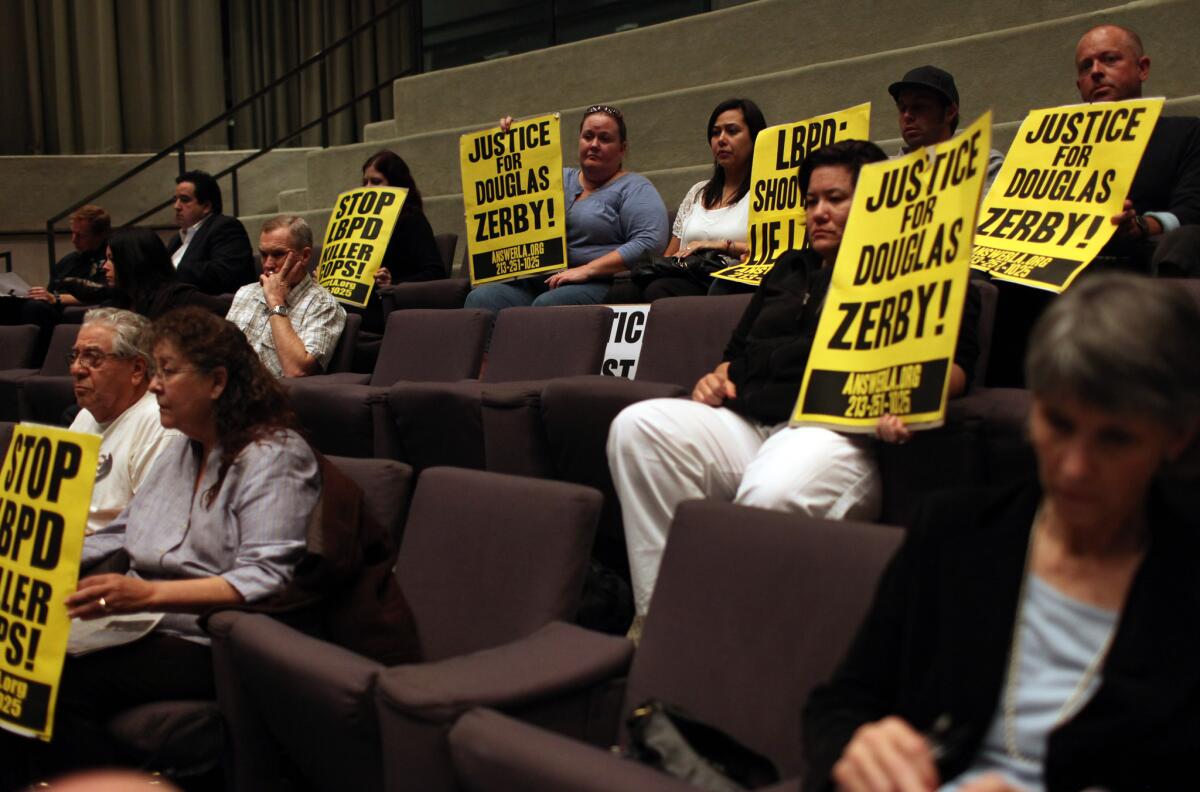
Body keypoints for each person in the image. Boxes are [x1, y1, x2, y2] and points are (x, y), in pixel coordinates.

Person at [803, 273, 1200, 792]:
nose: (1076, 468)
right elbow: (843, 702)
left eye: (1116, 439)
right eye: (1059, 424)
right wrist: (856, 749)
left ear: (1175, 438)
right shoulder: (954, 532)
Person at [607, 140, 981, 618]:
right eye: (811, 201)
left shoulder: (920, 265)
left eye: (835, 199)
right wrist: (715, 380)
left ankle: (726, 630)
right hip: (749, 421)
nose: (819, 212)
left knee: (772, 493)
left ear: (876, 199)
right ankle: (665, 618)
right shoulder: (789, 268)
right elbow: (733, 356)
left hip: (832, 431)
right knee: (638, 428)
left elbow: (956, 369)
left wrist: (910, 395)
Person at [0, 307, 321, 786]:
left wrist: (150, 595)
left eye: (167, 372)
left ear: (216, 382)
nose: (154, 385)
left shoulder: (273, 455)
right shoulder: (181, 446)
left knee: (52, 678)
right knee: (12, 654)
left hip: (203, 637)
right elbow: (122, 531)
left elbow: (265, 577)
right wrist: (25, 555)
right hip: (136, 622)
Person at [988, 23, 1200, 387]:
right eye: (1086, 67)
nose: (1096, 71)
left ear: (1142, 68)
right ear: (1079, 86)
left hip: (1134, 260)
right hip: (1049, 270)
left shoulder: (1186, 133)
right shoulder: (1047, 147)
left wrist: (1144, 226)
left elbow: (1193, 208)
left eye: (1109, 59)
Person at [464, 104, 670, 309]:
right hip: (539, 280)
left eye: (605, 139)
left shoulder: (635, 187)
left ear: (622, 149)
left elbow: (650, 241)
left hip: (597, 282)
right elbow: (510, 185)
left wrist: (587, 270)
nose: (594, 144)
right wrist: (512, 138)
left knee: (548, 305)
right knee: (481, 298)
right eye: (588, 136)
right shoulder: (555, 178)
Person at [605, 98, 767, 303]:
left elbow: (772, 252)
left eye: (732, 131)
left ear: (756, 137)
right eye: (716, 133)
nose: (721, 140)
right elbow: (671, 254)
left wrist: (717, 245)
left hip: (728, 282)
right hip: (687, 273)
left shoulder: (766, 192)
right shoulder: (698, 191)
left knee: (660, 291)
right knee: (621, 293)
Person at [67, 308, 179, 536]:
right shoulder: (85, 415)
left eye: (92, 357)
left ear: (137, 369)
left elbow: (149, 529)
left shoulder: (160, 425)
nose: (76, 368)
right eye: (75, 356)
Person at [226, 215, 347, 378]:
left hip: (274, 397)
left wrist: (276, 301)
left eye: (278, 254)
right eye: (263, 254)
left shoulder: (324, 305)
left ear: (304, 256)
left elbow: (297, 371)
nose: (268, 264)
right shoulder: (245, 292)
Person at [349, 150, 447, 332]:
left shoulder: (412, 220)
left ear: (396, 184)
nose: (367, 189)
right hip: (357, 300)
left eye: (376, 182)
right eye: (365, 182)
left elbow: (436, 273)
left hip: (386, 305)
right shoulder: (358, 224)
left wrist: (394, 282)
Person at [887, 66, 1004, 194]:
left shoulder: (982, 161)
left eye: (919, 107)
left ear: (950, 112)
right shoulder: (880, 170)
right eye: (902, 108)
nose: (907, 116)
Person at [99, 227, 228, 317]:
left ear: (133, 261)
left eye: (112, 259)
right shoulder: (117, 301)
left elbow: (230, 315)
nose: (105, 266)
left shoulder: (178, 298)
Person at [166, 170, 256, 295]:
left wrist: (170, 270)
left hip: (211, 308)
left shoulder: (225, 227)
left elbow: (224, 274)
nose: (176, 206)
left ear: (206, 206)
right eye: (175, 200)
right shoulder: (176, 240)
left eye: (184, 200)